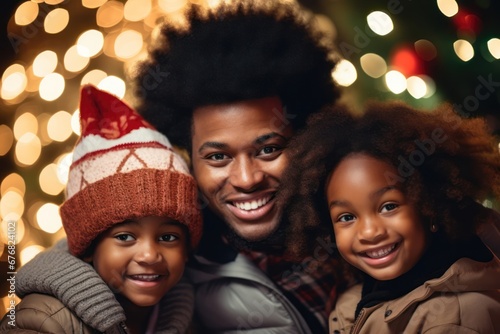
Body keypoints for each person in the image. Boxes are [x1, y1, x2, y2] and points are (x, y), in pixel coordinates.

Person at [13, 1, 343, 333]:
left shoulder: (356, 217)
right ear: (189, 161)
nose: (247, 178)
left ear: (303, 139)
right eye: (218, 157)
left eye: (268, 149)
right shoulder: (178, 262)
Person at [280, 101, 500, 333]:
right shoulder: (354, 301)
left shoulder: (456, 319)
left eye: (388, 206)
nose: (369, 232)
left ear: (430, 204)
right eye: (346, 217)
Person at [0, 85, 202, 333]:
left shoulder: (188, 318)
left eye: (168, 237)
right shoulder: (44, 322)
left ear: (186, 250)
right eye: (125, 236)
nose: (149, 255)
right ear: (88, 247)